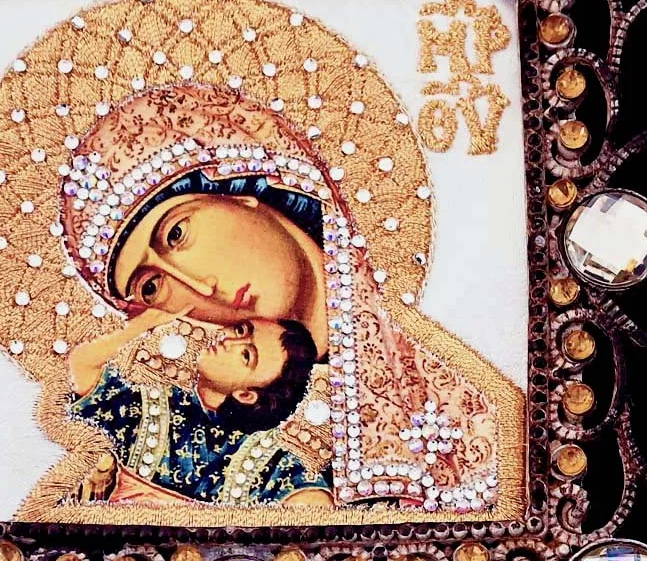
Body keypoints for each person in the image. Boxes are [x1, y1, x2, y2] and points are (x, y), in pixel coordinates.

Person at [62, 83, 515, 514]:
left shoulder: (452, 389)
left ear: (242, 192)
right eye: (151, 286)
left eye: (178, 234)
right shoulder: (212, 417)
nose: (201, 287)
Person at [64, 306, 331, 506]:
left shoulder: (270, 461)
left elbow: (316, 507)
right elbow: (78, 367)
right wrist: (145, 321)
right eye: (241, 330)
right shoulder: (151, 406)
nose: (229, 340)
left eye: (245, 354)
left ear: (246, 395)